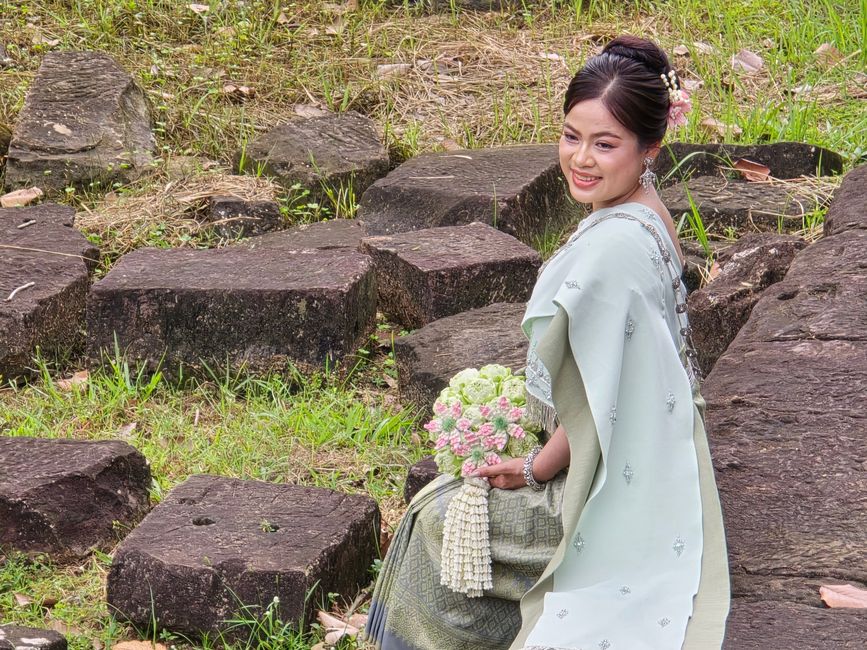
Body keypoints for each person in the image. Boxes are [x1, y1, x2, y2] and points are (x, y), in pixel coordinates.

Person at [365, 35, 730, 650]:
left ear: (650, 148)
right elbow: (608, 383)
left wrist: (535, 469)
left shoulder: (614, 249)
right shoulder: (646, 211)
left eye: (605, 144)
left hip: (610, 489)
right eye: (570, 136)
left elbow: (598, 403)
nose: (581, 159)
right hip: (644, 450)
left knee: (440, 518)